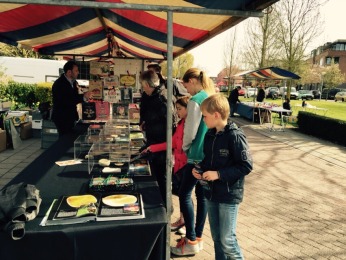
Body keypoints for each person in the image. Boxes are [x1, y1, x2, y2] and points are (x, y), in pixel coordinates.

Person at [193, 93, 253, 260]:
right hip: (212, 194)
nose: (203, 119)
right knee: (217, 238)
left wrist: (219, 174)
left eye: (204, 116)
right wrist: (199, 168)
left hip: (228, 195)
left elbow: (246, 165)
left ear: (216, 115)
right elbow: (208, 160)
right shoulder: (210, 135)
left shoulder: (235, 136)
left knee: (227, 240)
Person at [171, 68, 215, 256]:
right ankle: (197, 237)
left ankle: (190, 240)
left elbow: (190, 131)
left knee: (184, 194)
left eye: (186, 84)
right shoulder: (209, 97)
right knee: (201, 196)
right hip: (207, 154)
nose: (185, 88)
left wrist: (186, 147)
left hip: (196, 154)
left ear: (193, 80)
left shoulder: (196, 101)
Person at [141, 96, 191, 231]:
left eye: (180, 109)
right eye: (177, 109)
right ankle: (183, 219)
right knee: (183, 194)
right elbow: (172, 142)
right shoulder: (181, 123)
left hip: (185, 165)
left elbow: (178, 143)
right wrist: (153, 147)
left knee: (185, 195)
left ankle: (186, 223)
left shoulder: (190, 124)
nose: (177, 112)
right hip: (180, 165)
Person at [139, 70, 170, 208]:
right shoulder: (152, 96)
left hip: (162, 146)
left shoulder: (162, 98)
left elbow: (170, 125)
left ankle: (165, 208)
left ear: (147, 84)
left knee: (162, 179)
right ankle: (162, 205)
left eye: (142, 84)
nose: (142, 87)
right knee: (157, 176)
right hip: (154, 142)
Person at [52, 60, 92, 136]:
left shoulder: (74, 82)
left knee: (70, 136)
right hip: (62, 117)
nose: (78, 72)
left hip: (70, 116)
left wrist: (84, 96)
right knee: (65, 138)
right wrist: (83, 96)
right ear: (69, 72)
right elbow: (67, 100)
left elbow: (75, 96)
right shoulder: (59, 84)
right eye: (76, 71)